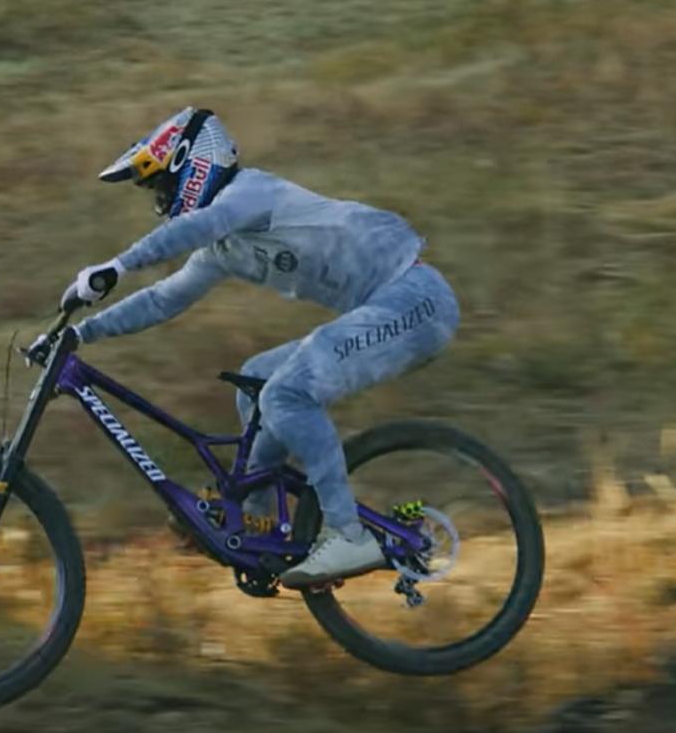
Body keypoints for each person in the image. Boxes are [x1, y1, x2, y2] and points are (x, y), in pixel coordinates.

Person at [45, 107, 459, 586]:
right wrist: (81, 334)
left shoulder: (249, 194)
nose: (162, 203)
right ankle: (261, 525)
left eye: (163, 187)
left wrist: (117, 266)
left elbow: (196, 227)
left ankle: (348, 533)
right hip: (387, 307)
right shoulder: (222, 248)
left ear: (194, 162)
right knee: (257, 381)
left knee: (286, 393)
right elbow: (162, 300)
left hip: (416, 299)